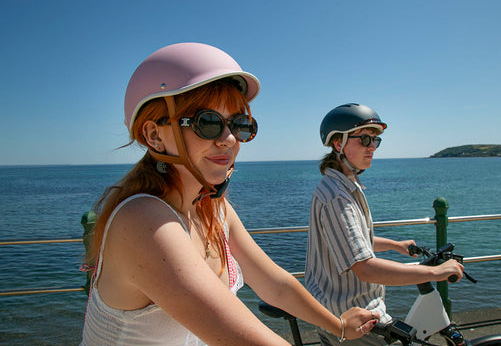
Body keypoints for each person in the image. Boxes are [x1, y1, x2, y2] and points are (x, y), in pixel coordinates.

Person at [80, 43, 379, 346]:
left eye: (239, 124)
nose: (230, 139)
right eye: (207, 123)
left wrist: (338, 325)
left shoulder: (213, 210)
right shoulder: (142, 221)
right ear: (155, 135)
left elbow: (275, 285)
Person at [304, 103, 465, 346]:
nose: (372, 148)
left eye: (375, 141)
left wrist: (395, 245)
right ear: (339, 144)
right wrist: (436, 272)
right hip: (351, 319)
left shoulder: (343, 186)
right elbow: (365, 268)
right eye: (365, 139)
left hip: (351, 312)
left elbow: (350, 242)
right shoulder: (338, 197)